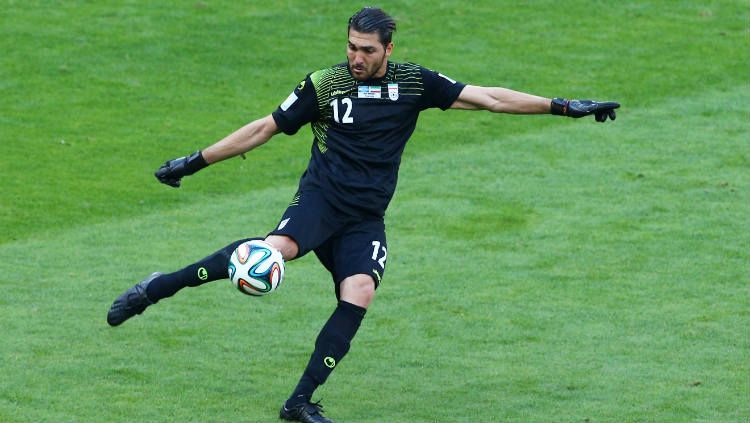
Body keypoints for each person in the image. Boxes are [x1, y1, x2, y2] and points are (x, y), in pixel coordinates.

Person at [107, 7, 619, 423]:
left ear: (388, 50)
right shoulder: (325, 85)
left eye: (366, 50)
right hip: (320, 203)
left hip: (364, 218)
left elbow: (488, 98)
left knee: (360, 292)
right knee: (267, 253)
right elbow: (264, 128)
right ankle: (156, 289)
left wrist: (564, 105)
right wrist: (193, 162)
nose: (355, 57)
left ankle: (298, 402)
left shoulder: (413, 84)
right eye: (351, 46)